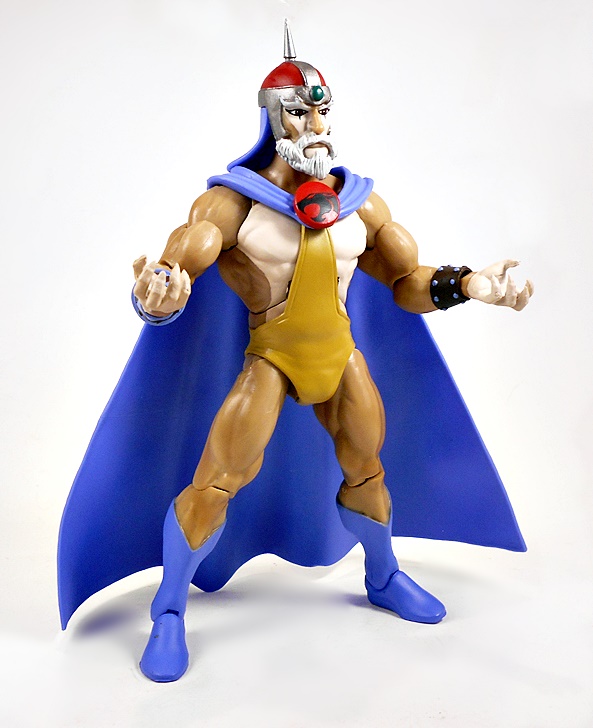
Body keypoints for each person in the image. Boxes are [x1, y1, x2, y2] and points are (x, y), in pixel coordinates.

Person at [124, 23, 532, 681]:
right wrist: (156, 295)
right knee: (217, 481)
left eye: (322, 108)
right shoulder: (232, 205)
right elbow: (176, 270)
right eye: (298, 109)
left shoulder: (358, 205)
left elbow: (406, 281)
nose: (315, 122)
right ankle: (169, 609)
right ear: (271, 118)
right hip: (272, 359)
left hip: (339, 359)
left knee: (367, 469)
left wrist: (469, 285)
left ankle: (383, 574)